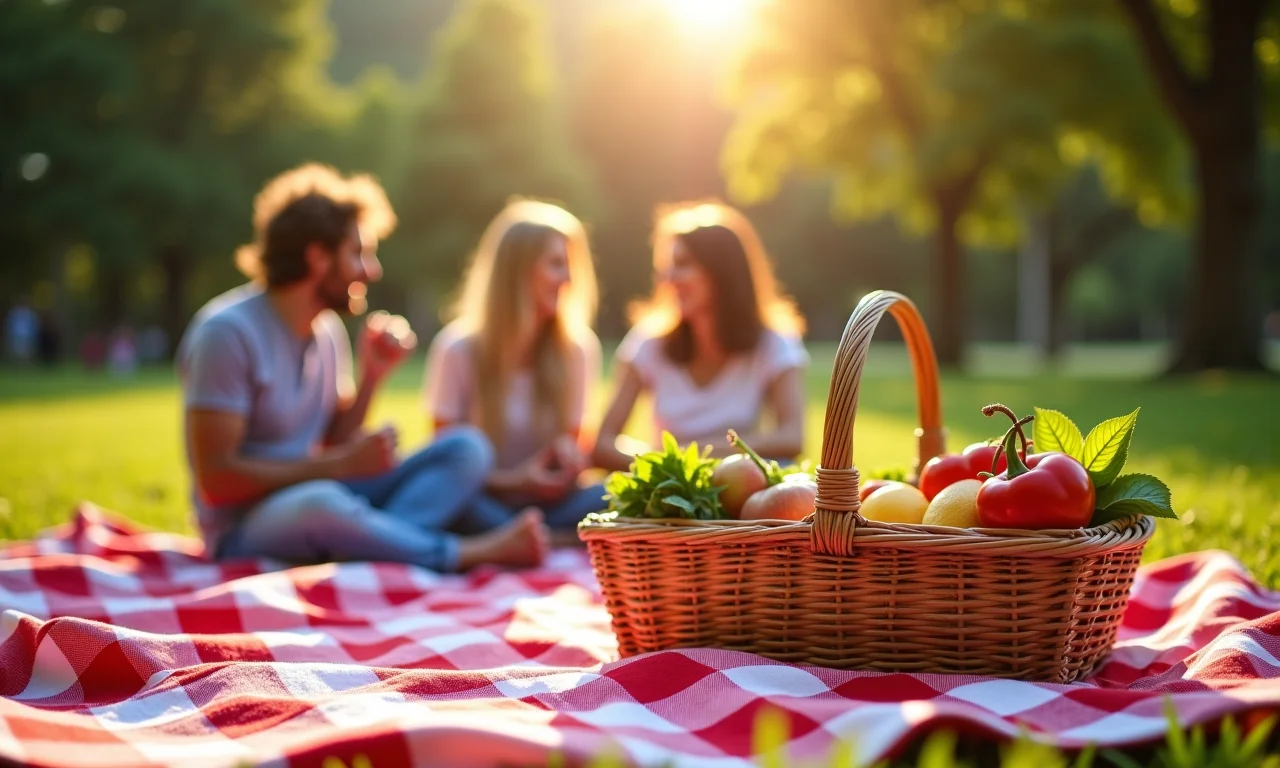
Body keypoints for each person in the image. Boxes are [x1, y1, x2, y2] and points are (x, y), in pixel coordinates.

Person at [177, 163, 546, 571]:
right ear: (317, 257)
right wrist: (339, 467)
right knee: (324, 505)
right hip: (245, 526)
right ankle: (461, 553)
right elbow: (217, 481)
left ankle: (369, 548)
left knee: (466, 449)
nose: (372, 270)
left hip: (321, 490)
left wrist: (371, 375)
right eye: (359, 253)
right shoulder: (226, 333)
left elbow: (334, 439)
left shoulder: (326, 330)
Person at [426, 199, 606, 540]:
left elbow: (577, 445)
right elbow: (444, 463)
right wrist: (514, 482)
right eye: (555, 264)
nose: (567, 279)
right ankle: (543, 539)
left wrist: (567, 463)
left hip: (551, 505)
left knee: (612, 493)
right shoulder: (457, 350)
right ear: (517, 271)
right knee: (450, 502)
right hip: (483, 501)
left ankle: (527, 539)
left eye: (569, 266)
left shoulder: (578, 350)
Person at [593, 201, 809, 471]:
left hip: (739, 484)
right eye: (667, 266)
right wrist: (665, 465)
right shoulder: (649, 344)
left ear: (722, 272)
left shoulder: (773, 344)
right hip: (668, 489)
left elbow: (792, 439)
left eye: (683, 264)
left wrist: (690, 455)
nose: (668, 278)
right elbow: (602, 445)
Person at [4, 298, 38, 365]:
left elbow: (33, 324)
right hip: (16, 335)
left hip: (27, 336)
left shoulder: (29, 313)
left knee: (26, 352)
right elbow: (10, 324)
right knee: (16, 351)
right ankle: (15, 364)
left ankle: (25, 364)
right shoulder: (14, 313)